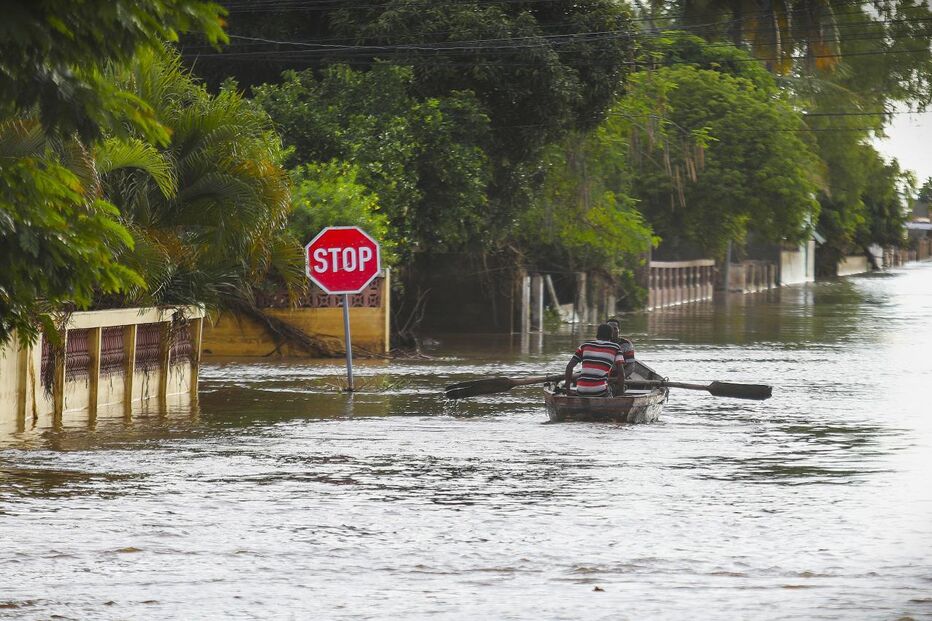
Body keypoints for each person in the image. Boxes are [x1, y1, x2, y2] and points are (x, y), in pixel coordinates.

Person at [563, 323, 625, 397]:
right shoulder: (615, 347)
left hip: (581, 390)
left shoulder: (585, 345)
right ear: (611, 335)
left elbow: (569, 367)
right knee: (613, 389)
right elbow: (621, 374)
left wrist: (568, 392)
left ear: (597, 334)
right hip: (600, 392)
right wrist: (621, 395)